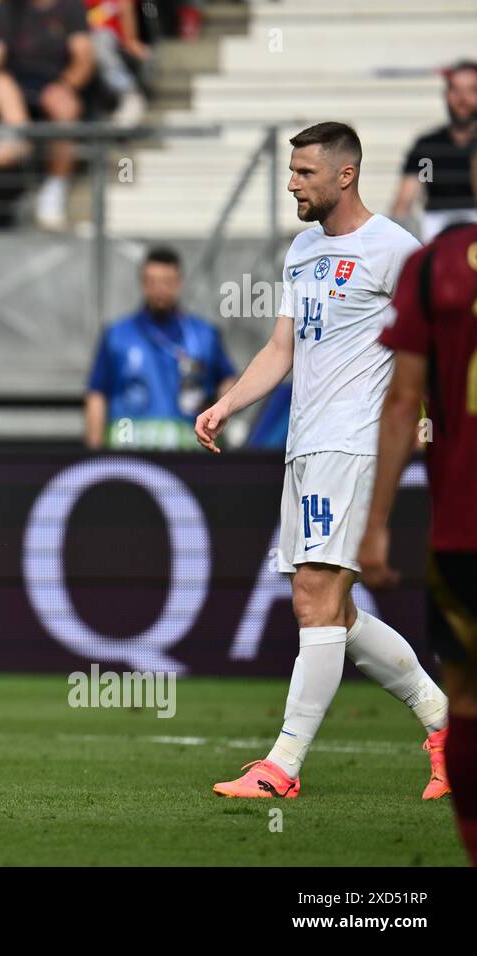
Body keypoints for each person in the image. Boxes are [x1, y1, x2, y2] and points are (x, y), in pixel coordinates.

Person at [196, 122, 449, 800]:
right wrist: (229, 404)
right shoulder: (303, 249)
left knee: (316, 598)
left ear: (344, 175)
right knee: (326, 607)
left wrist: (430, 411)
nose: (291, 184)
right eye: (290, 171)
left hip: (356, 443)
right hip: (304, 445)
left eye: (304, 172)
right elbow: (282, 349)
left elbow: (440, 339)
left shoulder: (396, 250)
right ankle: (443, 723)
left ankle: (282, 766)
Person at [359, 183, 477, 862]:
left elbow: (404, 400)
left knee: (465, 700)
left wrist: (377, 522)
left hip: (463, 527)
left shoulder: (436, 264)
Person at [84, 246, 235, 450]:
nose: (159, 289)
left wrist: (220, 412)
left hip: (190, 452)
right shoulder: (117, 336)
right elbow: (97, 395)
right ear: (142, 284)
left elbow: (227, 381)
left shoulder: (203, 335)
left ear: (179, 283)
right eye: (151, 282)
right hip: (127, 452)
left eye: (166, 282)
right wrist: (94, 453)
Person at [0, 0, 94, 229]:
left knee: (65, 106)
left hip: (56, 81)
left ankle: (55, 186)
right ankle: (20, 138)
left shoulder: (71, 8)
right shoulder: (3, 9)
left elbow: (84, 59)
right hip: (15, 86)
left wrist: (64, 85)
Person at [391, 60, 477, 242]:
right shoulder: (428, 147)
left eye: (472, 90)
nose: (462, 99)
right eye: (456, 90)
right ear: (446, 95)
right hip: (436, 229)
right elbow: (405, 201)